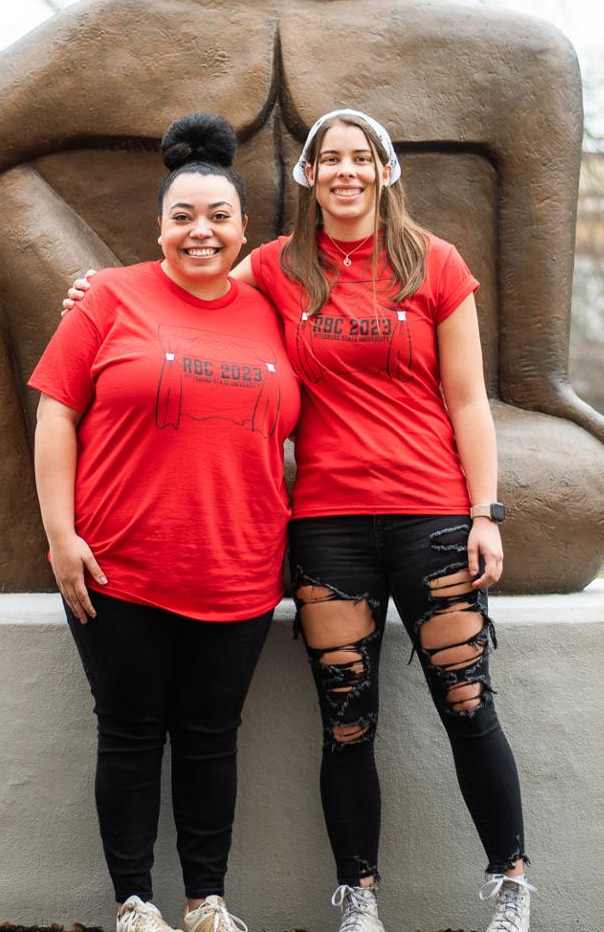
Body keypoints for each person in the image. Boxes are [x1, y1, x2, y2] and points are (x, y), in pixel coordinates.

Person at [67, 109, 534, 932]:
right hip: (327, 526)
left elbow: (469, 399)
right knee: (346, 723)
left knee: (468, 705)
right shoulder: (277, 267)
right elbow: (185, 280)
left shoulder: (436, 264)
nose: (346, 171)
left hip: (430, 515)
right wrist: (95, 294)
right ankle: (360, 897)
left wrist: (484, 512)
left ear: (386, 171)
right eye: (330, 159)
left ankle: (510, 884)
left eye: (361, 157)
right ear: (309, 177)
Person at [30, 113, 301, 932]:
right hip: (121, 569)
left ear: (244, 230)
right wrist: (60, 537)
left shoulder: (271, 310)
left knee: (213, 741)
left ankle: (205, 902)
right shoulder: (109, 296)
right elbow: (55, 414)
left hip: (242, 572)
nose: (200, 231)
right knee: (131, 736)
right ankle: (135, 902)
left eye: (218, 217)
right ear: (159, 227)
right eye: (183, 217)